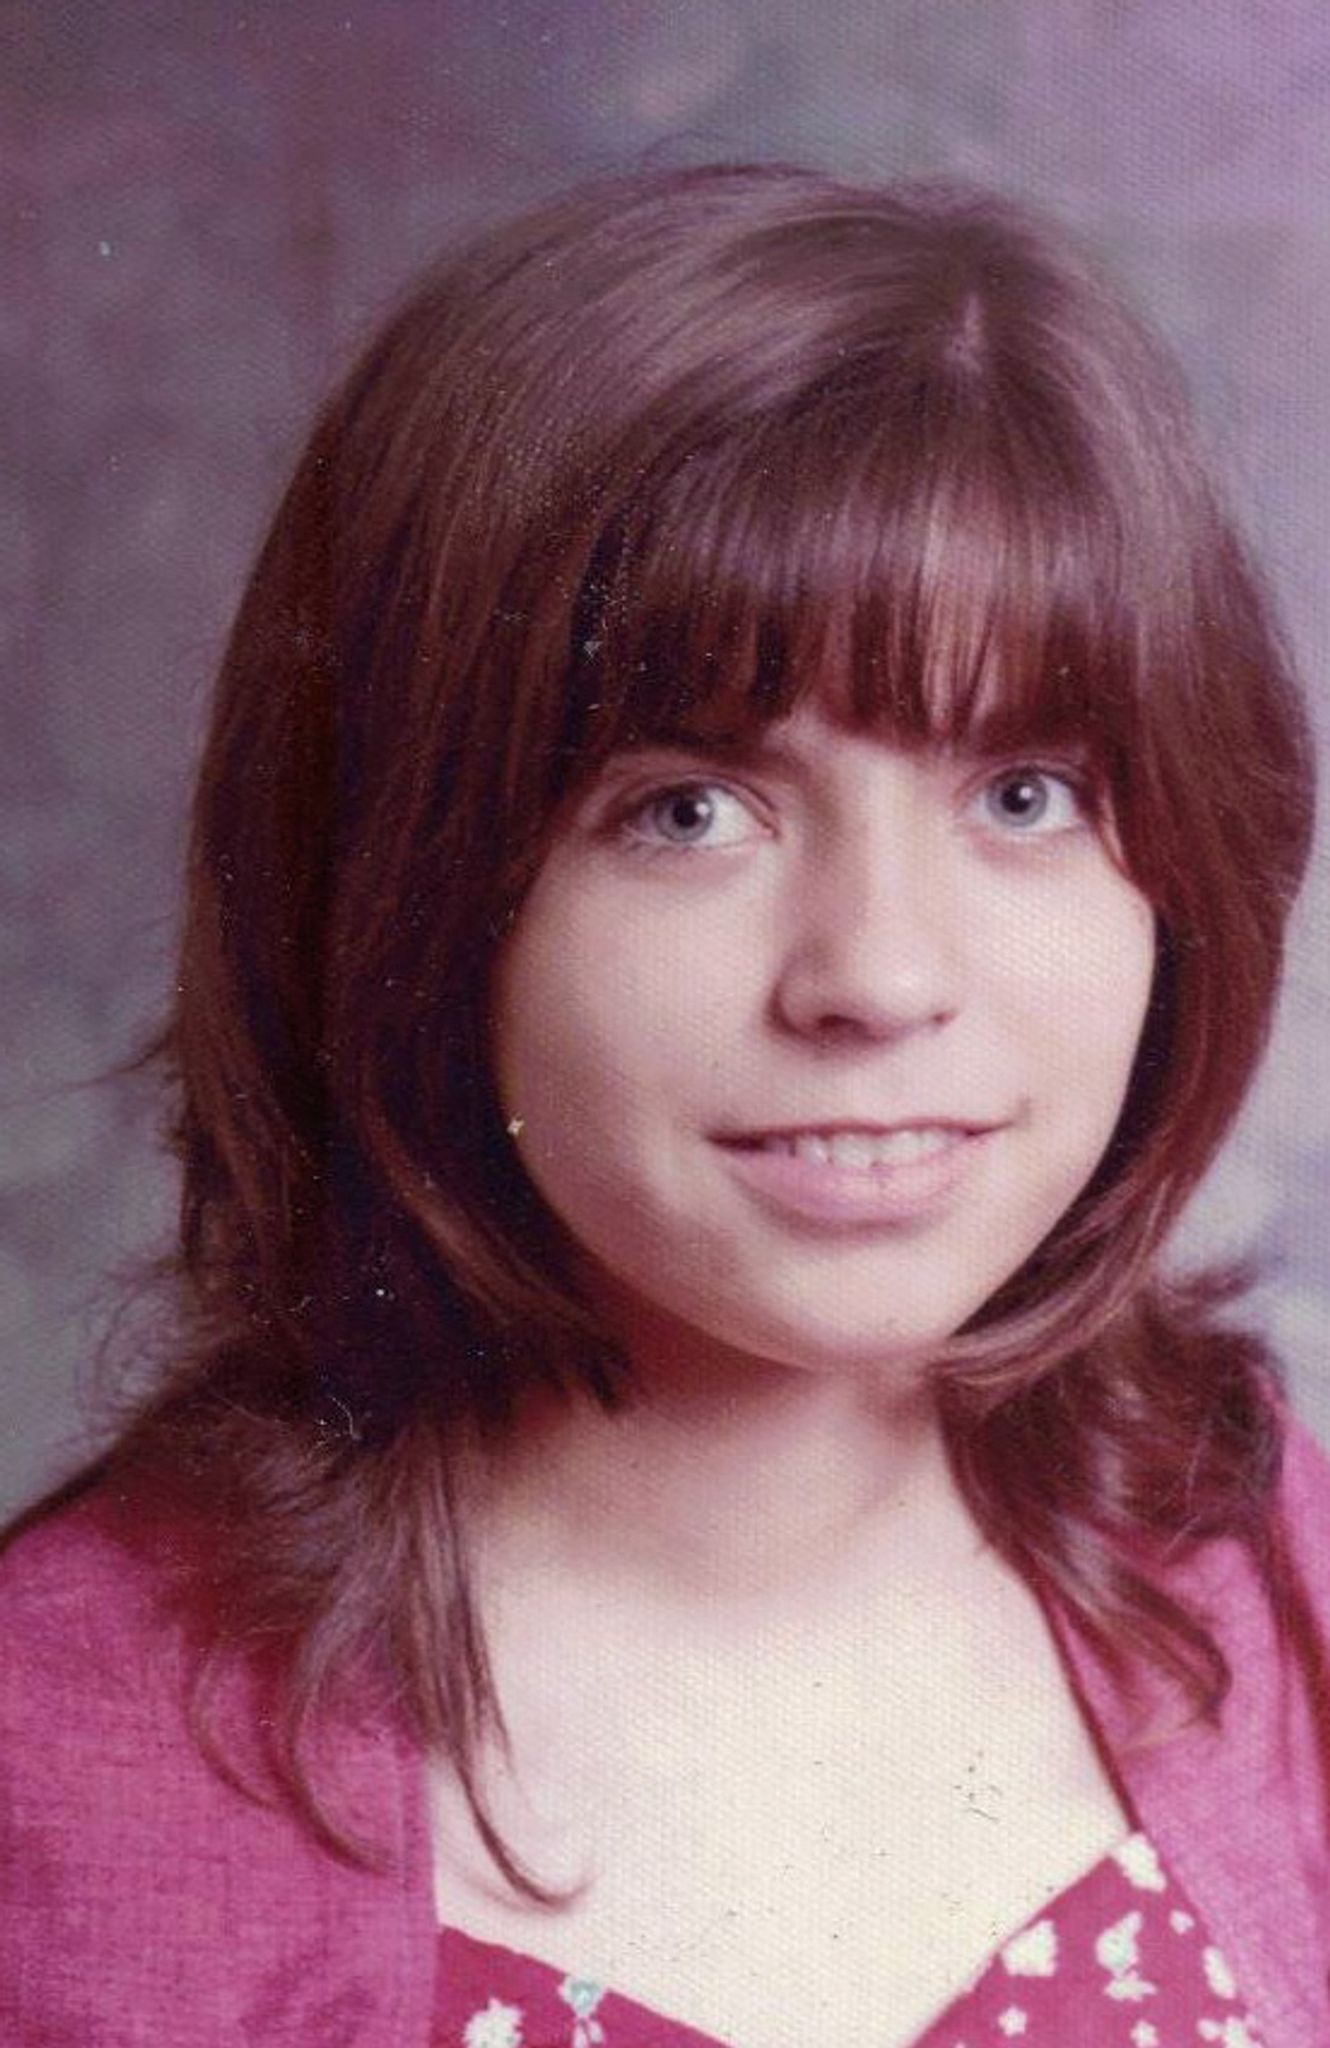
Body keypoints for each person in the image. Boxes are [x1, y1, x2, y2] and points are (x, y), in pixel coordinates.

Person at [1, 162, 1326, 2048]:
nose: (878, 974)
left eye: (1023, 794)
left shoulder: (1277, 1577)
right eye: (687, 811)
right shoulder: (50, 1782)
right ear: (400, 888)